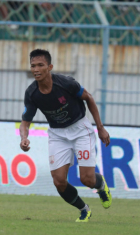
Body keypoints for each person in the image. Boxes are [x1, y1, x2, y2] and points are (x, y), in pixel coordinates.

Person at [20, 49, 112, 223]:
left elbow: (89, 98)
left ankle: (100, 185)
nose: (36, 69)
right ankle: (84, 210)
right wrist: (23, 138)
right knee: (59, 181)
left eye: (40, 65)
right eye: (33, 66)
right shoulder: (32, 93)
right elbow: (25, 122)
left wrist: (100, 128)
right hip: (57, 134)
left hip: (80, 130)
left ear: (50, 67)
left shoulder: (65, 83)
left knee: (86, 179)